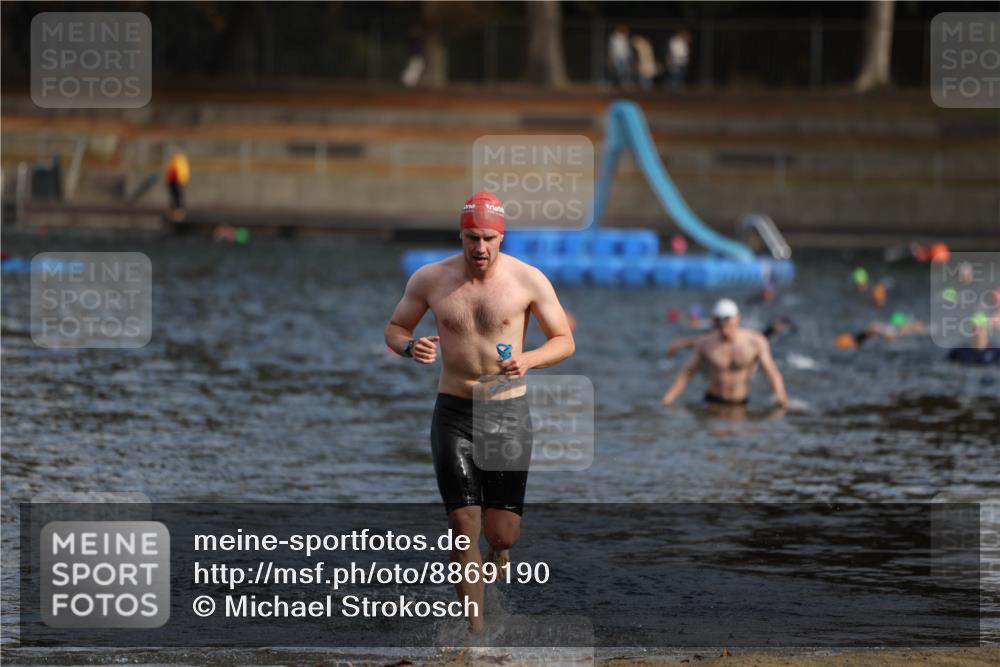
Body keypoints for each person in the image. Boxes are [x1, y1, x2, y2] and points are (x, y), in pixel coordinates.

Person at [384, 192, 575, 634]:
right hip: (452, 411)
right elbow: (395, 328)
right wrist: (411, 347)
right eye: (472, 238)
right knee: (461, 522)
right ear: (461, 235)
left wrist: (529, 359)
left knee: (502, 532)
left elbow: (564, 340)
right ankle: (477, 632)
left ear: (501, 237)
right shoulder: (431, 278)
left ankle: (501, 550)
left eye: (489, 238)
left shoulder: (528, 279)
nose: (481, 247)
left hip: (506, 414)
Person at [662, 299, 787, 407]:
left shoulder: (755, 342)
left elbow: (772, 372)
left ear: (738, 318)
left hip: (740, 403)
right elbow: (688, 373)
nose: (723, 324)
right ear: (714, 322)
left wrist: (782, 399)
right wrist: (668, 399)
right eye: (719, 320)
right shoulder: (706, 343)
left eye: (727, 319)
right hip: (713, 401)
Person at [164, 145, 190, 221]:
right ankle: (174, 212)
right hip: (172, 181)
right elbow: (169, 170)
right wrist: (167, 179)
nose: (173, 153)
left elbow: (184, 171)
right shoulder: (173, 160)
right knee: (173, 196)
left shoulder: (181, 160)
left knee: (178, 196)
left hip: (178, 181)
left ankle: (180, 213)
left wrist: (182, 181)